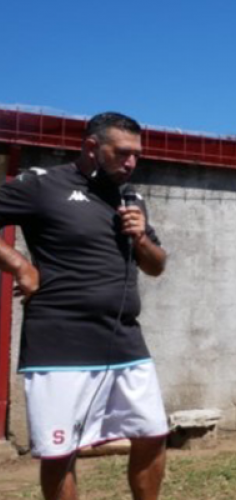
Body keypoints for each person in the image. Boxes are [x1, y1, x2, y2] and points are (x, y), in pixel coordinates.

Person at [0, 112, 168, 500]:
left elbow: (157, 266)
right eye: (122, 153)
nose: (132, 163)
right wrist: (20, 266)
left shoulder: (132, 199)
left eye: (137, 155)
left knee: (153, 433)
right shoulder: (43, 185)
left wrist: (140, 237)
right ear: (92, 147)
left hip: (125, 339)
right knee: (60, 452)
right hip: (60, 343)